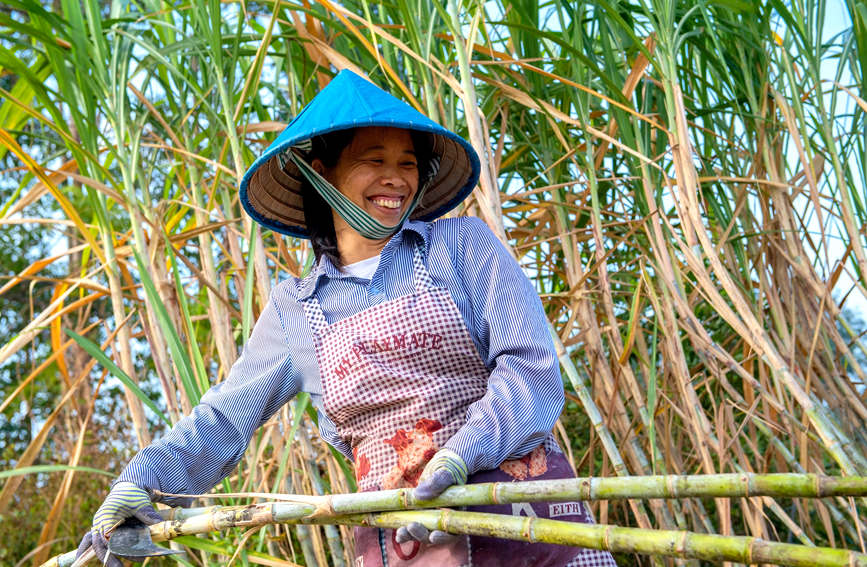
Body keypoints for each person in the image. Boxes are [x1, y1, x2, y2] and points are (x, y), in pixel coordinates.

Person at [75, 69, 617, 567]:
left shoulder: (463, 248)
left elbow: (531, 370)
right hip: (405, 537)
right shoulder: (296, 309)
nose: (395, 179)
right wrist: (142, 483)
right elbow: (223, 419)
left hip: (520, 516)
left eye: (408, 163)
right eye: (373, 160)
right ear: (322, 173)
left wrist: (458, 456)